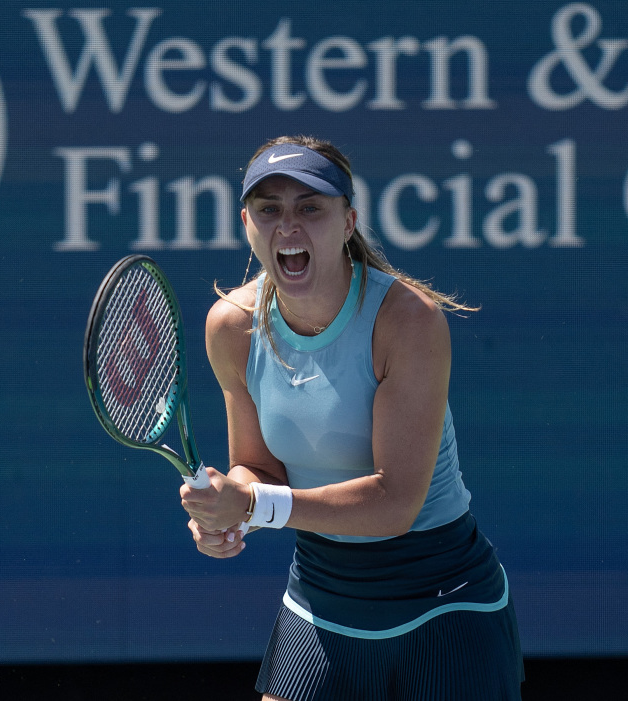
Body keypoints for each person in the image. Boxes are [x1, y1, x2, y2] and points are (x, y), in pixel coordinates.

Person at [179, 135, 524, 700]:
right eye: (269, 209)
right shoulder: (231, 327)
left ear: (348, 222)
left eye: (310, 207)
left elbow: (395, 502)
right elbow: (259, 468)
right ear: (246, 224)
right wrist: (229, 508)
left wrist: (254, 506)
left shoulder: (408, 322)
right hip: (321, 592)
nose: (288, 226)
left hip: (444, 598)